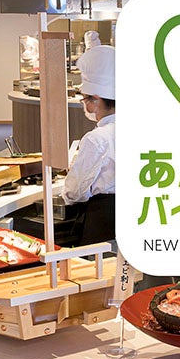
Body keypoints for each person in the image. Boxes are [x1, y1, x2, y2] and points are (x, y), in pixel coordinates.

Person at [63, 31, 116, 246]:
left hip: (104, 222)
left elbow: (75, 193)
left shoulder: (96, 139)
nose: (84, 105)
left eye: (85, 99)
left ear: (96, 100)